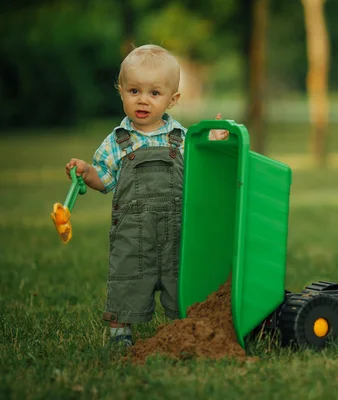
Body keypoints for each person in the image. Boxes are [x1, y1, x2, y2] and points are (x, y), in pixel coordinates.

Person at [65, 44, 229, 347]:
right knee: (127, 276)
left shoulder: (180, 136)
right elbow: (103, 180)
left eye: (154, 93)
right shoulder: (117, 141)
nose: (143, 99)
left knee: (179, 278)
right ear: (121, 92)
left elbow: (200, 167)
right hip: (133, 232)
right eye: (134, 91)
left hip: (175, 230)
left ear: (172, 99)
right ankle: (119, 331)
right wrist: (85, 170)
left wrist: (215, 141)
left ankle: (183, 328)